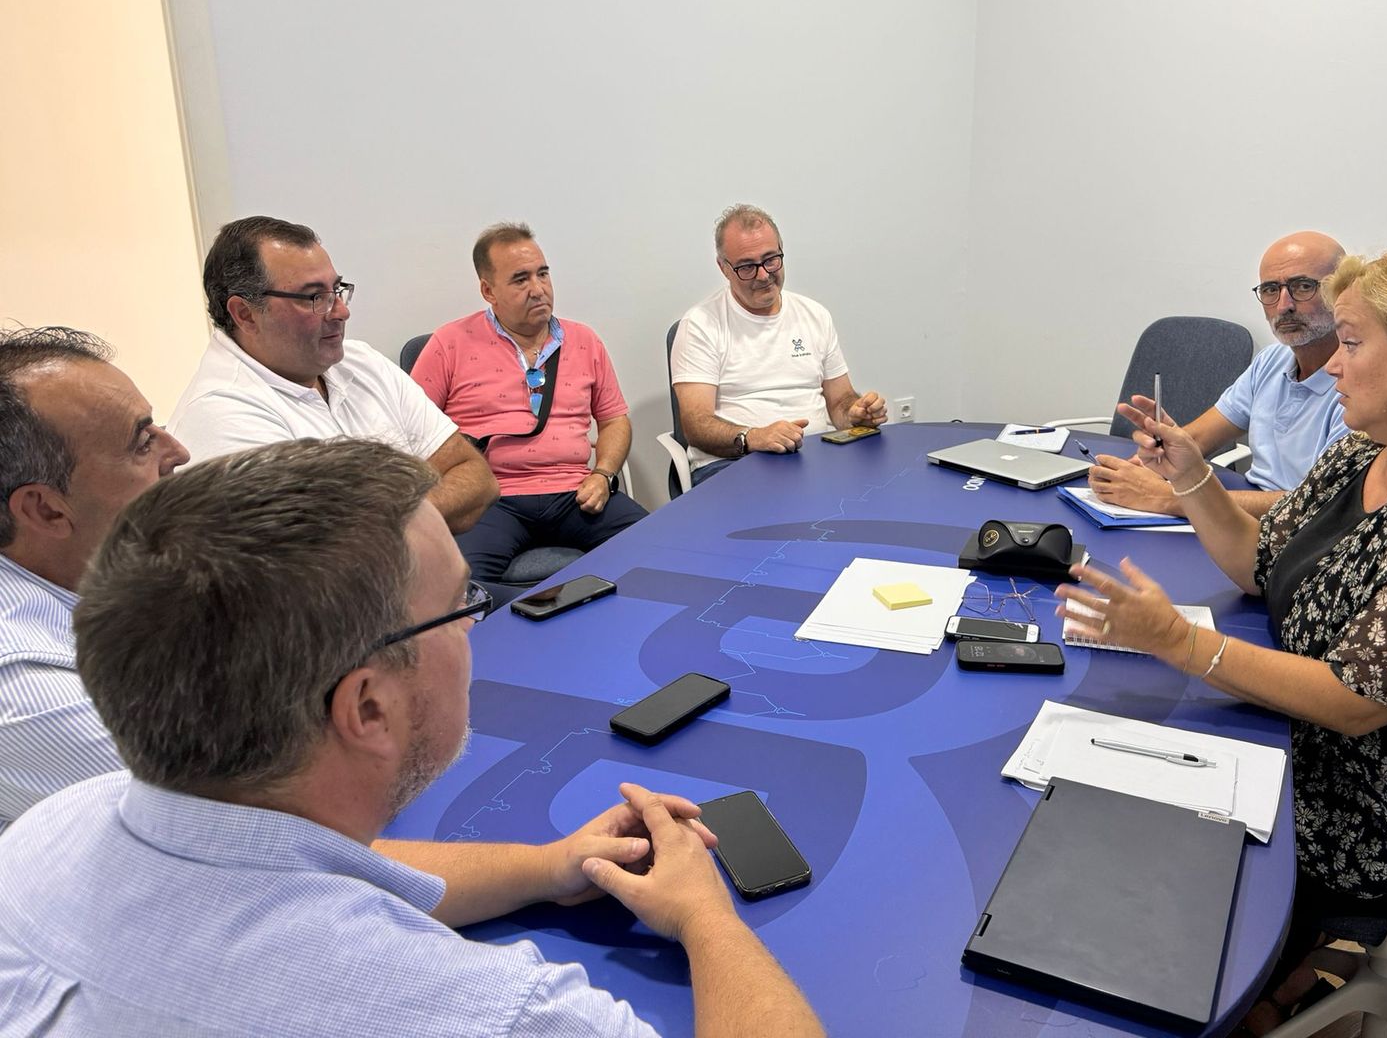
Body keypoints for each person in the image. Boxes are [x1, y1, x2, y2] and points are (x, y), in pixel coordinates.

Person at [0, 438, 824, 1037]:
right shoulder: (485, 1015)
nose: (476, 633)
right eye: (464, 609)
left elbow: (307, 865)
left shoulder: (55, 828)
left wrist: (547, 866)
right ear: (368, 709)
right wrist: (705, 915)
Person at [1057, 242, 1387, 1032]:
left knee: (1153, 815)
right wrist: (1192, 476)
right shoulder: (1367, 450)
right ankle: (1272, 976)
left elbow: (1352, 702)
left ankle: (1231, 992)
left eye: (1351, 343)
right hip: (1339, 750)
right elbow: (1257, 567)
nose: (1331, 367)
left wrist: (1178, 641)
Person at [169, 215, 498, 534]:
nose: (342, 311)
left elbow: (476, 477)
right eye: (315, 297)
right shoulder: (220, 417)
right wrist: (420, 490)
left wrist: (377, 518)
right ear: (245, 314)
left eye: (337, 289)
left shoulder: (362, 362)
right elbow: (325, 560)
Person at [0, 326, 189, 832]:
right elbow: (246, 838)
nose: (179, 452)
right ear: (45, 508)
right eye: (142, 442)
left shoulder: (101, 563)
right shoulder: (25, 692)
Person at [410, 223, 647, 584]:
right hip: (491, 498)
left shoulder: (584, 341)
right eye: (521, 279)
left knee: (662, 551)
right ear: (488, 290)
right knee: (460, 590)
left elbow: (614, 419)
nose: (538, 289)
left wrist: (604, 473)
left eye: (543, 274)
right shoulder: (450, 343)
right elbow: (412, 429)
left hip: (576, 493)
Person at [1086, 231, 1349, 519]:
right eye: (1271, 289)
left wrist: (1169, 498)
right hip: (1244, 517)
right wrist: (1137, 470)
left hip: (1297, 536)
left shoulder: (1358, 384)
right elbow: (1198, 437)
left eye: (1302, 286)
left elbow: (1318, 506)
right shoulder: (1271, 361)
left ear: (1341, 291)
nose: (1284, 305)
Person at [671, 203, 888, 485]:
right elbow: (696, 425)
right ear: (724, 268)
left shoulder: (815, 315)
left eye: (771, 259)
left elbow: (840, 402)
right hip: (733, 464)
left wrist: (858, 413)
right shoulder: (700, 325)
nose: (763, 275)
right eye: (747, 266)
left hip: (817, 457)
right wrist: (753, 437)